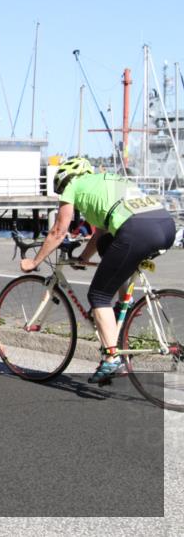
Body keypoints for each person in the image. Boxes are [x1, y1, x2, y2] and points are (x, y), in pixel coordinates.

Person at [21, 157, 177, 383]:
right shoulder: (108, 180)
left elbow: (58, 231)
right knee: (107, 246)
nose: (63, 194)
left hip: (137, 230)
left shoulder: (73, 185)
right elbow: (101, 234)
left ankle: (112, 358)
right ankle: (124, 304)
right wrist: (83, 258)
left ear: (66, 180)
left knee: (98, 295)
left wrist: (34, 262)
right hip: (165, 225)